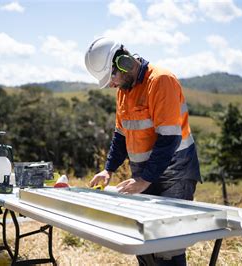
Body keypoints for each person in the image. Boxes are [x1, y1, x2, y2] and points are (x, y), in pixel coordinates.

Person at [85, 37, 202, 266]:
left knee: (167, 245)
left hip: (174, 174)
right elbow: (121, 135)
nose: (111, 85)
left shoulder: (161, 81)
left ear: (124, 62)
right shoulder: (124, 90)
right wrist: (108, 170)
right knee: (143, 242)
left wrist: (145, 179)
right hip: (145, 175)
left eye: (111, 78)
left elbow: (169, 139)